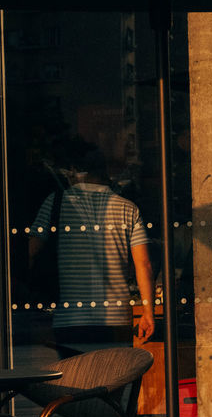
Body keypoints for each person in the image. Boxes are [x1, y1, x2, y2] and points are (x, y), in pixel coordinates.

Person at [29, 149, 155, 347]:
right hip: (116, 316)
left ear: (74, 171)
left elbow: (34, 249)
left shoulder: (55, 203)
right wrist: (148, 312)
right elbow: (144, 265)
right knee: (114, 375)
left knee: (75, 376)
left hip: (69, 316)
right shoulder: (127, 208)